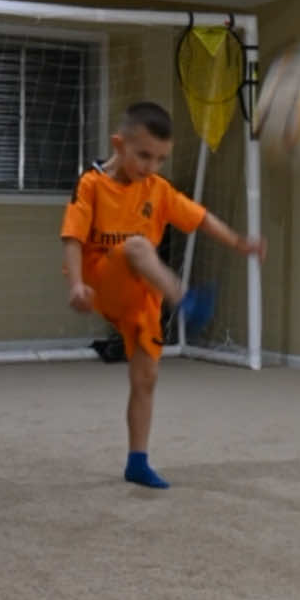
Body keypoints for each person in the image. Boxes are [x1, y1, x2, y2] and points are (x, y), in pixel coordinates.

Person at [61, 99, 266, 489]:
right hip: (102, 280)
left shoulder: (158, 189)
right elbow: (72, 237)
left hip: (142, 295)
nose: (150, 167)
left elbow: (201, 218)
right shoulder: (91, 184)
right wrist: (76, 284)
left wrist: (239, 242)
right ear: (118, 144)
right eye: (143, 156)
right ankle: (184, 300)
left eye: (159, 159)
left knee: (147, 377)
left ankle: (137, 461)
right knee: (139, 246)